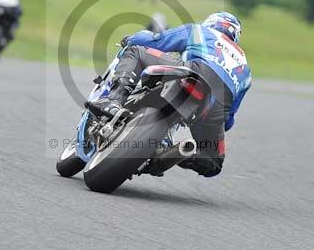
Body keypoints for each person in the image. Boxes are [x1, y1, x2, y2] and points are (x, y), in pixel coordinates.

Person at [88, 11, 251, 178]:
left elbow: (158, 41)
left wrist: (130, 40)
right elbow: (229, 118)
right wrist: (215, 124)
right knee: (213, 163)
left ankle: (113, 100)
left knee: (135, 51)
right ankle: (178, 154)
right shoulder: (245, 68)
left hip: (193, 72)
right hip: (216, 105)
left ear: (211, 22)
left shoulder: (201, 31)